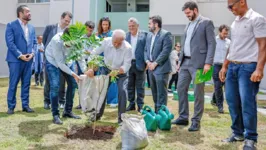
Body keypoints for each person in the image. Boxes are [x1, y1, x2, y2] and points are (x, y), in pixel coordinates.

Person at [220, 0, 266, 149]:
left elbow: (263, 45)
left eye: (231, 5)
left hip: (248, 67)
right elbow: (233, 46)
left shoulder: (256, 19)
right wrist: (224, 66)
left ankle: (251, 138)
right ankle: (238, 133)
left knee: (247, 102)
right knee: (232, 101)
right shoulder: (235, 22)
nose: (229, 9)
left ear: (242, 2)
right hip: (233, 66)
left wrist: (259, 69)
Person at [171, 1, 216, 132]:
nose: (187, 15)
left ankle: (196, 121)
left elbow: (212, 44)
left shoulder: (206, 22)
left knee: (198, 93)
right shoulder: (188, 25)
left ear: (195, 10)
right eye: (185, 14)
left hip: (200, 64)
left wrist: (208, 62)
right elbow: (185, 44)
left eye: (188, 13)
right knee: (180, 88)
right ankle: (183, 117)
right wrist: (179, 61)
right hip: (185, 63)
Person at [87, 29, 132, 124]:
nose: (115, 44)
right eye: (114, 42)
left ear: (122, 41)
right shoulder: (106, 41)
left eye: (118, 43)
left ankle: (121, 119)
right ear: (112, 38)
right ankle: (97, 115)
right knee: (101, 90)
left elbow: (127, 65)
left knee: (122, 91)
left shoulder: (127, 48)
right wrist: (91, 66)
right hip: (106, 68)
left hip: (121, 72)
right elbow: (94, 53)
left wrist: (117, 72)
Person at [45, 28, 87, 124]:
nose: (71, 45)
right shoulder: (57, 41)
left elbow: (80, 58)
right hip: (53, 62)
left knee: (72, 84)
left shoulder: (77, 40)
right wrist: (73, 74)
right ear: (64, 37)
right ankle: (55, 114)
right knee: (55, 86)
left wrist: (85, 71)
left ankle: (67, 111)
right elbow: (60, 63)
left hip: (68, 61)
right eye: (69, 43)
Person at [5, 5, 37, 114]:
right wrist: (20, 55)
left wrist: (32, 53)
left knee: (26, 83)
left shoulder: (32, 27)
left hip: (29, 60)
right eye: (27, 12)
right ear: (20, 13)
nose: (30, 13)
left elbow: (35, 43)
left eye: (30, 12)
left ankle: (25, 105)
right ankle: (11, 106)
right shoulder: (11, 25)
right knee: (13, 83)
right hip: (15, 60)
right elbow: (10, 43)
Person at [43, 11, 72, 110]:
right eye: (66, 20)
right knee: (49, 81)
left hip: (62, 60)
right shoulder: (50, 28)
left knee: (62, 81)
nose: (67, 23)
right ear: (61, 18)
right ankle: (47, 101)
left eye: (69, 22)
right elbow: (45, 41)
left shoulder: (68, 31)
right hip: (50, 60)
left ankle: (61, 101)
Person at [144, 15, 173, 113]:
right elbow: (146, 50)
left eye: (150, 24)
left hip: (161, 68)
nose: (148, 25)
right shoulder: (149, 35)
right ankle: (157, 113)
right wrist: (148, 62)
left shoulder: (166, 34)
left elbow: (166, 51)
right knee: (154, 92)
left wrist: (155, 63)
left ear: (156, 24)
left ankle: (162, 114)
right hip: (150, 69)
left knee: (161, 93)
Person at [125, 17, 147, 112]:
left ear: (138, 26)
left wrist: (147, 62)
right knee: (130, 85)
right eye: (129, 26)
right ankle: (131, 104)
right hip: (129, 64)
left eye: (133, 26)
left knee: (140, 86)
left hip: (140, 64)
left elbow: (147, 50)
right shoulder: (126, 36)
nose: (131, 28)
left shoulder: (145, 35)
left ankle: (140, 105)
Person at [75, 20, 95, 110]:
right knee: (81, 82)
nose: (88, 32)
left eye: (90, 31)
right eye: (87, 30)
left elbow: (96, 50)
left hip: (91, 63)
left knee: (91, 83)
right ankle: (81, 103)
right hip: (81, 61)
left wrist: (90, 52)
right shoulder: (80, 38)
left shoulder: (95, 39)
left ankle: (90, 103)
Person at [211, 25, 230, 114]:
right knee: (218, 85)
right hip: (216, 66)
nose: (225, 35)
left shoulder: (229, 42)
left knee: (223, 84)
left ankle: (214, 99)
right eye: (224, 33)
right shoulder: (214, 40)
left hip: (226, 66)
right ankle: (220, 106)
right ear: (219, 32)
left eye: (227, 33)